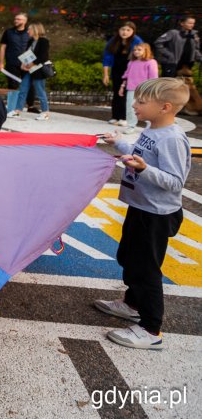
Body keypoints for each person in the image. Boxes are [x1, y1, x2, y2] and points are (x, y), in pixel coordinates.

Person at [97, 78, 191, 350]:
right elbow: (140, 153)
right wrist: (120, 144)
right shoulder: (152, 130)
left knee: (146, 269)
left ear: (165, 107)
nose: (134, 104)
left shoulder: (172, 138)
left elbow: (175, 182)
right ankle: (132, 304)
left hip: (156, 215)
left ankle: (151, 329)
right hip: (140, 207)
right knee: (128, 257)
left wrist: (143, 170)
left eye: (141, 101)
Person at [102, 21, 143, 126]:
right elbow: (106, 58)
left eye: (128, 30)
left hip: (130, 72)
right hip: (116, 70)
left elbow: (141, 56)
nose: (125, 32)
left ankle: (124, 117)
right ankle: (115, 116)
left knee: (125, 95)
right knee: (116, 93)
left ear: (133, 31)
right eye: (122, 29)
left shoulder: (137, 41)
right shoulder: (114, 41)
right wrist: (106, 74)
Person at [8, 23, 51, 121]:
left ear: (35, 30)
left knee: (40, 91)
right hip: (28, 70)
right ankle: (17, 111)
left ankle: (45, 113)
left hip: (38, 70)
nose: (27, 31)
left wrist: (31, 64)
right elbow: (27, 54)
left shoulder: (44, 41)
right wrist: (23, 64)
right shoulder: (30, 41)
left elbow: (43, 57)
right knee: (23, 90)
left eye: (29, 29)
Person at [120, 43, 159, 133]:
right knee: (130, 108)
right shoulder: (131, 62)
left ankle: (150, 126)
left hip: (145, 90)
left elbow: (154, 77)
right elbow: (126, 75)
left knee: (147, 108)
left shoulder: (151, 62)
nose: (136, 52)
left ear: (146, 50)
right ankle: (131, 125)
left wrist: (151, 90)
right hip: (131, 89)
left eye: (139, 50)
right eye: (134, 50)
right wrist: (122, 86)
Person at [0, 13, 32, 113]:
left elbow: (34, 48)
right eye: (15, 19)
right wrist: (1, 63)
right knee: (13, 85)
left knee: (30, 84)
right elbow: (3, 48)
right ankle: (12, 107)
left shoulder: (30, 33)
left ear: (25, 21)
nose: (16, 21)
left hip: (27, 62)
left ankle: (31, 106)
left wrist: (33, 63)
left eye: (19, 19)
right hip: (12, 62)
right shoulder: (8, 32)